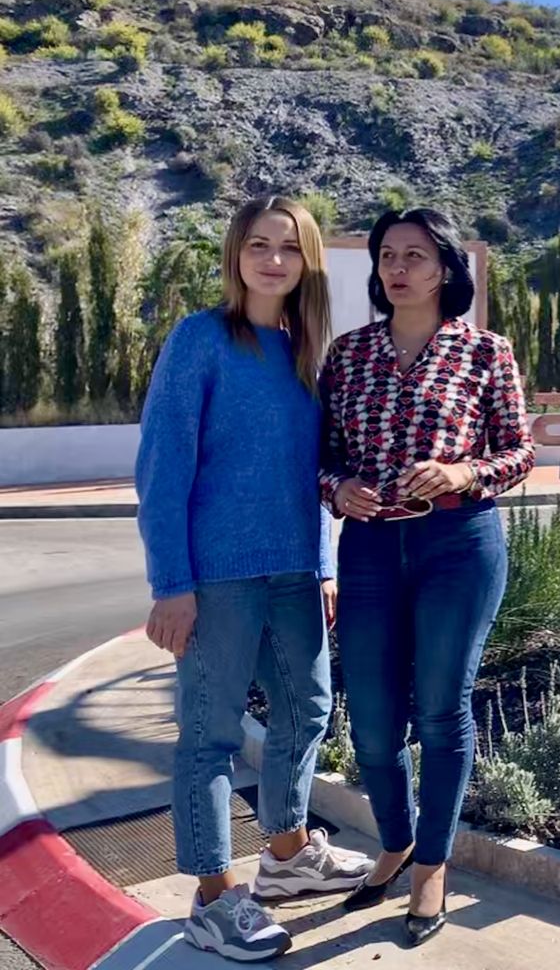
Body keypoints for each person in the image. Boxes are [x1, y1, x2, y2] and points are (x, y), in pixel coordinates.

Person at [137, 196, 374, 962]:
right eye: (259, 245)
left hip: (297, 572)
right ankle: (212, 899)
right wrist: (171, 583)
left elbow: (318, 472)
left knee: (306, 711)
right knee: (209, 736)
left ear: (306, 261)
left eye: (289, 247)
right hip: (217, 582)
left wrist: (327, 562)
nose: (273, 260)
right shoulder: (200, 340)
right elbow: (163, 470)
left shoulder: (307, 351)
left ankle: (287, 857)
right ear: (236, 254)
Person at [320, 208, 534, 946]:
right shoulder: (347, 357)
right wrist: (337, 489)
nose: (397, 268)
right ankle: (396, 838)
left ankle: (431, 867)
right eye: (386, 255)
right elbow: (322, 457)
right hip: (371, 551)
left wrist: (463, 470)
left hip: (457, 544)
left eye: (414, 255)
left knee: (443, 709)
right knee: (373, 725)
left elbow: (519, 452)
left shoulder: (485, 352)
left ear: (445, 268)